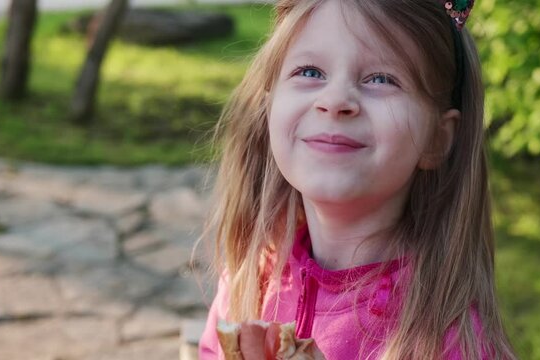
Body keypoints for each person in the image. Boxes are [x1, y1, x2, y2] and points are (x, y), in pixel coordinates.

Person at [198, 0, 516, 359]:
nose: (335, 101)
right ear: (269, 105)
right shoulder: (250, 281)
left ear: (436, 138)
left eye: (381, 78)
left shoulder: (446, 342)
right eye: (310, 71)